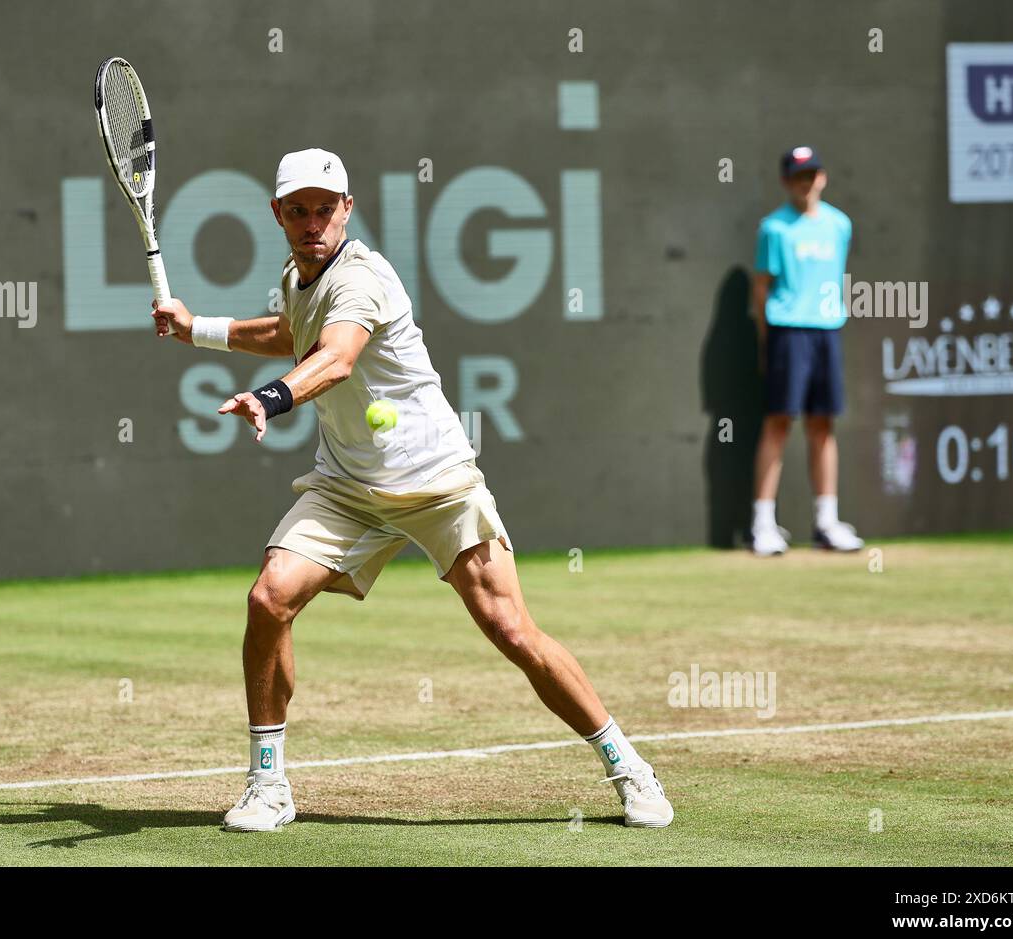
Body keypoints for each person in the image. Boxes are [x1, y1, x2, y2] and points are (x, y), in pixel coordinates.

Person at [150, 148, 673, 831]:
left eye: (326, 208)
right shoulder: (299, 275)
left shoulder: (362, 277)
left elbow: (334, 357)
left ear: (348, 209)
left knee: (513, 630)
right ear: (278, 215)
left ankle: (628, 766)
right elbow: (292, 330)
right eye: (299, 209)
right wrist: (200, 331)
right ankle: (269, 785)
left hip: (437, 483)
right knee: (268, 598)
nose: (314, 222)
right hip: (348, 485)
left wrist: (272, 399)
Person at [749, 146, 864, 556]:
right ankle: (763, 524)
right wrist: (767, 341)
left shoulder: (839, 225)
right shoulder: (774, 229)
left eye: (813, 174)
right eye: (799, 176)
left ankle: (826, 523)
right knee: (779, 423)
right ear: (785, 182)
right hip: (787, 331)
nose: (807, 182)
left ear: (823, 178)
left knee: (822, 425)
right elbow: (760, 288)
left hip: (826, 331)